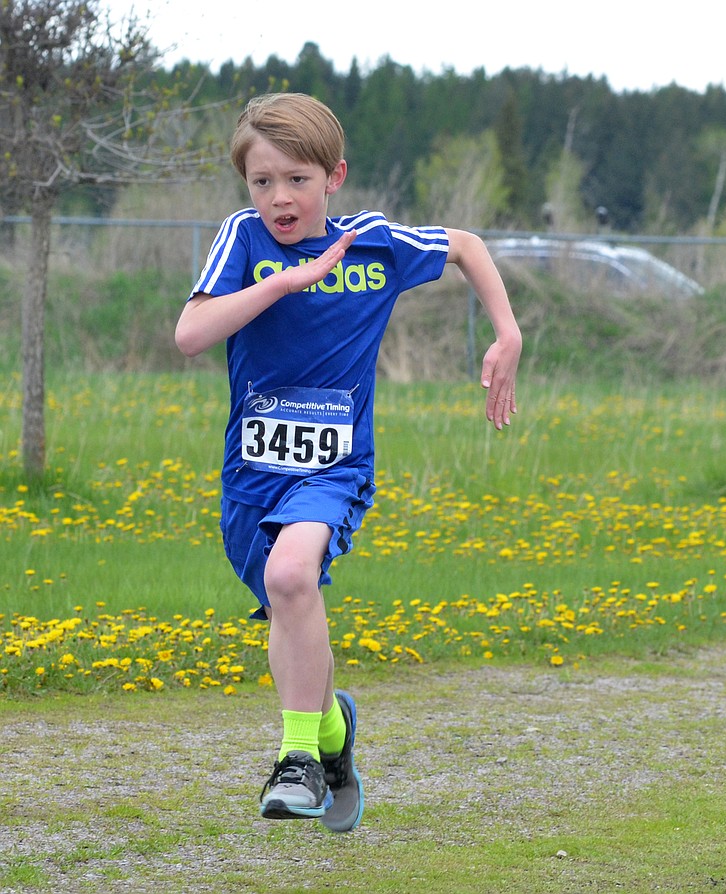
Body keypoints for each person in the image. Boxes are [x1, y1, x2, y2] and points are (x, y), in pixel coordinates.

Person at [174, 92, 522, 832]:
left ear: (334, 176)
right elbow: (190, 335)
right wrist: (280, 283)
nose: (278, 198)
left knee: (293, 575)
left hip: (334, 468)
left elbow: (464, 245)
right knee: (288, 609)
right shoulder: (243, 239)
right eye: (261, 182)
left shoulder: (374, 244)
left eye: (296, 179)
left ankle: (296, 760)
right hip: (251, 474)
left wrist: (507, 333)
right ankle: (332, 735)